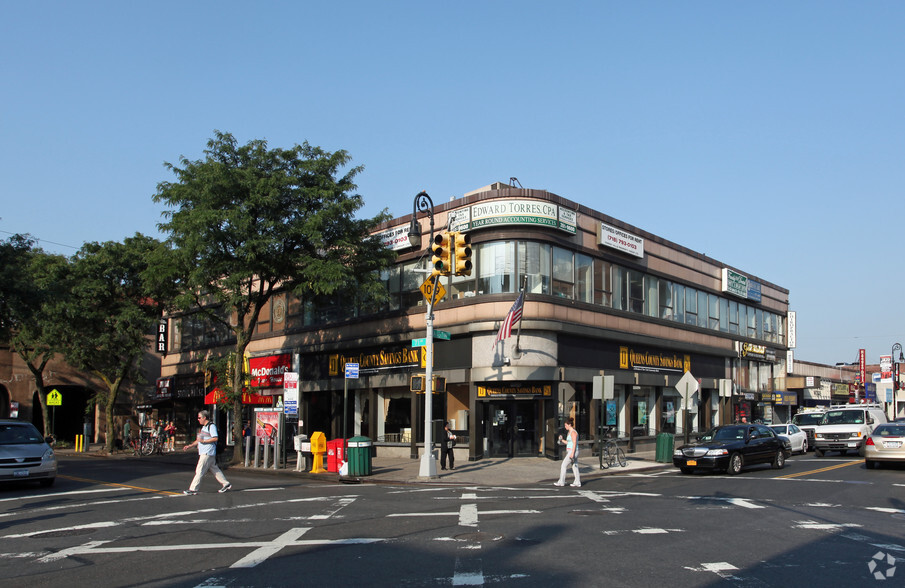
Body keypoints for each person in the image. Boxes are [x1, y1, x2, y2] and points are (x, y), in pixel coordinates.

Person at [182, 410, 231, 494]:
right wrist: (190, 446)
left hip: (207, 452)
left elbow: (215, 438)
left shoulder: (211, 426)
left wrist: (204, 441)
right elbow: (199, 440)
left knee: (199, 470)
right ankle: (226, 484)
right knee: (215, 469)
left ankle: (193, 489)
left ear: (204, 417)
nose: (198, 419)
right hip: (207, 453)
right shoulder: (204, 427)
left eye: (199, 417)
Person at [554, 417, 581, 488]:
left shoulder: (573, 432)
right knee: (574, 466)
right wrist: (562, 440)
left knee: (563, 465)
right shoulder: (570, 432)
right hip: (571, 450)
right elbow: (568, 442)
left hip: (573, 451)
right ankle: (577, 482)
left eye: (566, 425)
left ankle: (561, 481)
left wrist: (572, 453)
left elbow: (574, 443)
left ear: (569, 425)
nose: (565, 426)